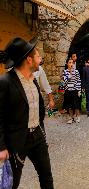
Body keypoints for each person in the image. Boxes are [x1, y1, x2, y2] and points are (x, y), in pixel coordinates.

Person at [0, 37, 54, 188]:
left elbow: (38, 109)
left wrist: (42, 131)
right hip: (17, 141)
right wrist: (2, 147)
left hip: (37, 135)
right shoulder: (5, 82)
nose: (40, 59)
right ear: (29, 60)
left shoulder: (33, 79)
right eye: (37, 55)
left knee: (47, 178)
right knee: (12, 184)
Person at [62, 58, 81, 124]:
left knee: (76, 105)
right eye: (69, 63)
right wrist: (69, 74)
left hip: (74, 90)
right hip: (68, 91)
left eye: (72, 63)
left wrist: (78, 90)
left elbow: (78, 81)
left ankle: (77, 117)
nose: (71, 64)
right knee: (69, 106)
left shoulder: (76, 71)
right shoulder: (64, 72)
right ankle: (71, 118)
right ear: (67, 64)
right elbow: (65, 81)